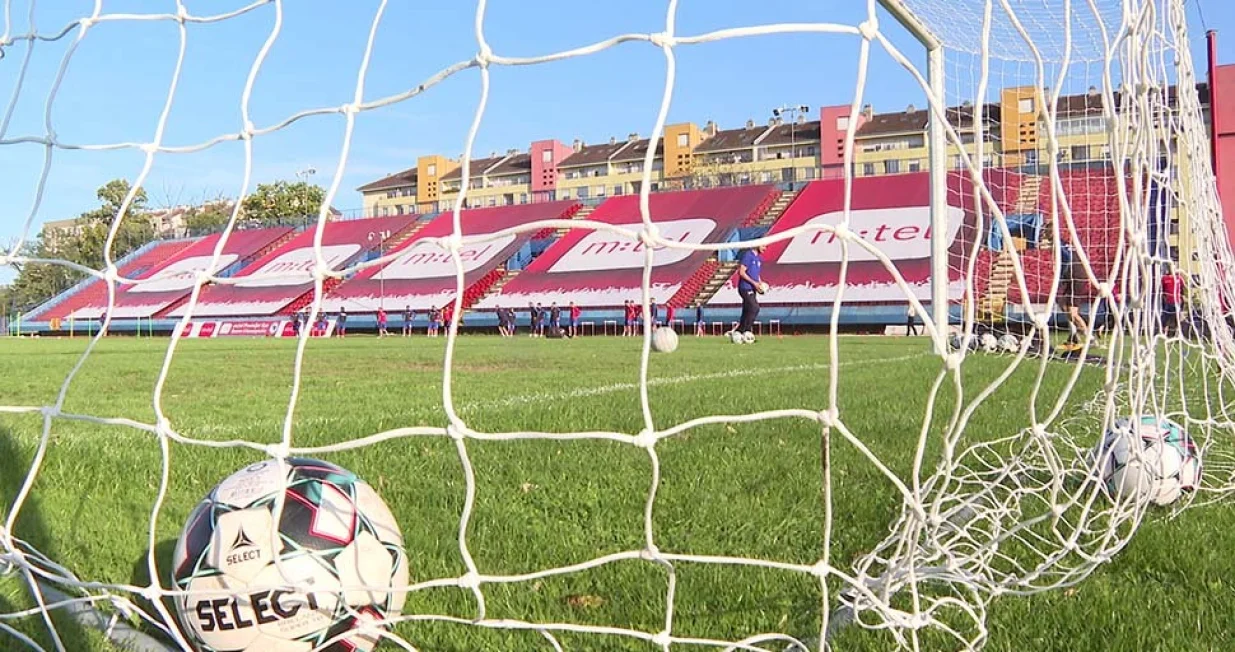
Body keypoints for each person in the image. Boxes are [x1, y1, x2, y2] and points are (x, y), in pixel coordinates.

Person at [1057, 241, 1088, 349]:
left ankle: (1090, 338)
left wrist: (1060, 275)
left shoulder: (1060, 246)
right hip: (1071, 278)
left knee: (1072, 312)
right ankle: (1073, 336)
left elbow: (1065, 260)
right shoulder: (1068, 245)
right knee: (1061, 303)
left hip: (1076, 278)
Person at [736, 245, 767, 337]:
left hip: (753, 288)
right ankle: (747, 331)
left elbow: (756, 274)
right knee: (754, 308)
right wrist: (754, 283)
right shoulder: (748, 255)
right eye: (764, 246)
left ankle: (739, 332)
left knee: (747, 310)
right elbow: (741, 272)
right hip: (745, 287)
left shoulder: (758, 258)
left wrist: (760, 283)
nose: (765, 248)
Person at [1161, 262, 1184, 336]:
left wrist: (1182, 299)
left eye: (1174, 267)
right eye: (1171, 267)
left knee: (1177, 319)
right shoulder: (1164, 278)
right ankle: (1164, 334)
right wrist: (1165, 298)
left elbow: (1182, 290)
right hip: (1168, 302)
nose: (1172, 268)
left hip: (1177, 302)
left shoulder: (1179, 278)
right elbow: (1163, 290)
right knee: (1165, 319)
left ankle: (1177, 334)